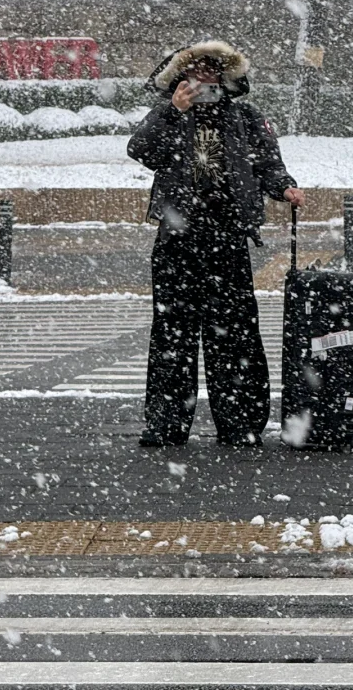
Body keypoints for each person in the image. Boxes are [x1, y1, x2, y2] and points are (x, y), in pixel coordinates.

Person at [127, 40, 304, 448]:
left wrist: (284, 187)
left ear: (226, 79)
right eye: (196, 72)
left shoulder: (243, 116)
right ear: (180, 78)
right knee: (173, 334)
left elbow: (267, 162)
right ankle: (166, 425)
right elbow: (141, 150)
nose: (204, 79)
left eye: (212, 72)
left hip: (228, 237)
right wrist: (175, 111)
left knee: (236, 333)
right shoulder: (168, 114)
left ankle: (239, 422)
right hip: (177, 239)